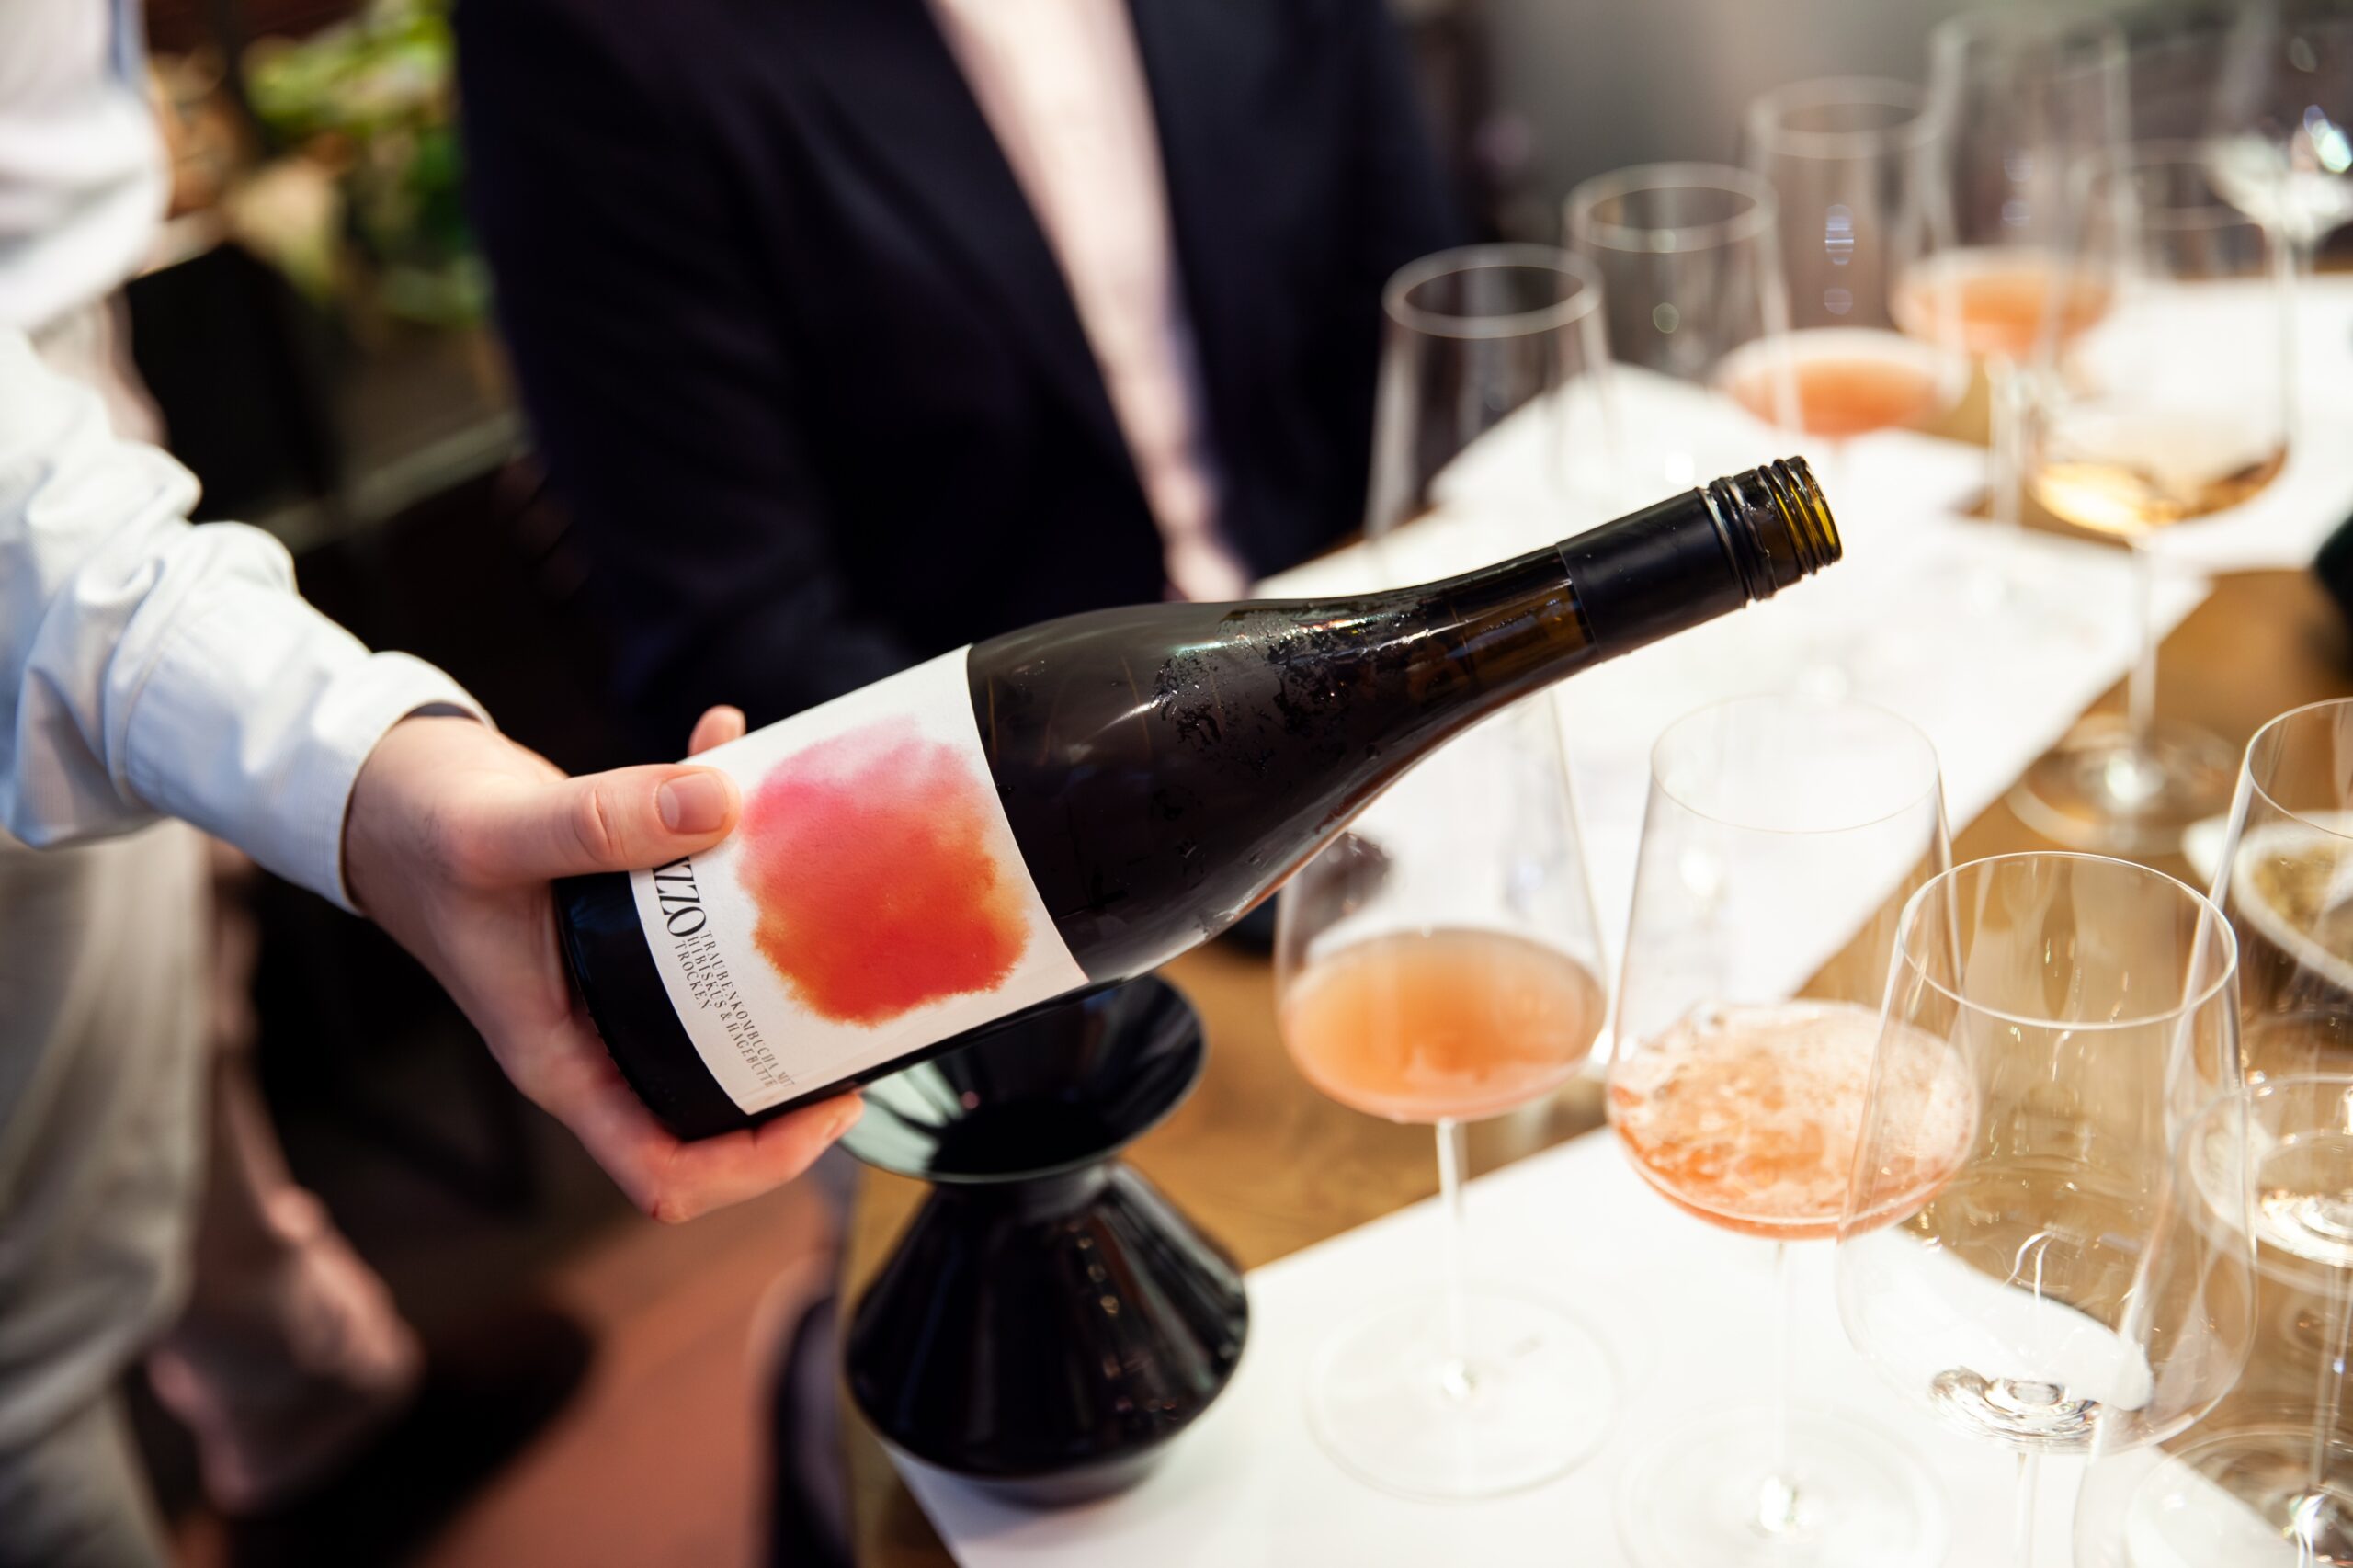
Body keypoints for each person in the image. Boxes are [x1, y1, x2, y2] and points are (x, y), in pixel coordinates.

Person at [0, 325, 858, 1568]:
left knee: (174, 1050)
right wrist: (371, 772)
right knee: (29, 1354)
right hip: (60, 554)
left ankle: (308, 1420)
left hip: (94, 474)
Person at [456, 0, 1463, 746]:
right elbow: (745, 639)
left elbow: (1424, 372)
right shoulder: (590, 34)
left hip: (1353, 677)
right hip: (985, 821)